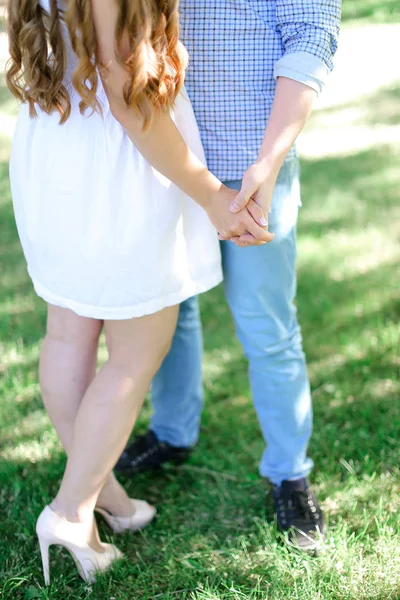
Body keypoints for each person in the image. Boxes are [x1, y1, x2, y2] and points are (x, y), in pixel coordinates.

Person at [7, 0, 272, 585]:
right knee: (136, 352)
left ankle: (109, 500)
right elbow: (126, 94)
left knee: (68, 334)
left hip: (58, 146)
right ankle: (73, 511)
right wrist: (209, 195)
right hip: (119, 168)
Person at [116, 0, 342, 550]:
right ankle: (172, 431)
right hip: (166, 163)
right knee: (172, 309)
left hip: (256, 168)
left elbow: (311, 36)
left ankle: (289, 472)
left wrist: (266, 164)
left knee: (267, 323)